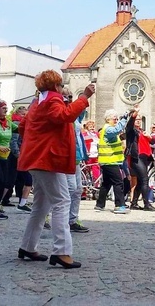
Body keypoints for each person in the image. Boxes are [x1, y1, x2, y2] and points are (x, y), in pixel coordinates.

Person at [18, 71, 95, 269]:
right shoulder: (53, 100)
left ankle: (28, 246)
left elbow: (23, 127)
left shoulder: (37, 103)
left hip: (36, 159)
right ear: (56, 86)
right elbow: (66, 116)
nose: (62, 89)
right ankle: (61, 251)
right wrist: (84, 97)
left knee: (41, 205)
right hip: (47, 159)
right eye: (60, 86)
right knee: (62, 201)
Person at [64, 90, 91, 231]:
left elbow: (82, 108)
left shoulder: (74, 116)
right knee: (69, 189)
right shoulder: (63, 114)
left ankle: (72, 219)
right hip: (66, 158)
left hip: (77, 156)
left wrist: (84, 97)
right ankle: (62, 219)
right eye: (65, 96)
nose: (68, 99)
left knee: (78, 189)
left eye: (70, 97)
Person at [125, 111, 155, 212]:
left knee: (140, 181)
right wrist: (133, 116)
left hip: (144, 158)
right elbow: (129, 125)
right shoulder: (131, 131)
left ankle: (134, 203)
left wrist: (149, 137)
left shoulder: (141, 131)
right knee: (144, 180)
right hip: (136, 157)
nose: (138, 121)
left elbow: (153, 142)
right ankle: (147, 204)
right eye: (136, 119)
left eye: (140, 119)